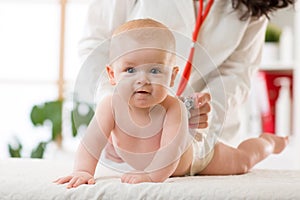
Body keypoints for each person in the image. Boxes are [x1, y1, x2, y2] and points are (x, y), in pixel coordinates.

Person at [55, 19, 288, 188]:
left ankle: (266, 143)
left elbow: (170, 152)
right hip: (154, 164)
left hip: (194, 158)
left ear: (172, 76)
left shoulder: (172, 107)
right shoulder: (110, 105)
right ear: (112, 74)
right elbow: (91, 143)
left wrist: (151, 176)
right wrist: (83, 170)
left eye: (155, 70)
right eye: (130, 69)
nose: (142, 79)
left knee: (241, 161)